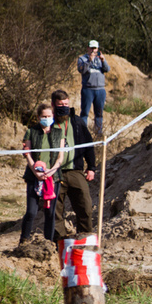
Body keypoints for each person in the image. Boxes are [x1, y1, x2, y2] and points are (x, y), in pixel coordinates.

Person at [50, 89, 97, 242]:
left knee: (85, 207)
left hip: (76, 171)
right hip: (55, 173)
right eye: (60, 104)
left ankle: (84, 241)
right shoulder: (48, 123)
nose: (64, 106)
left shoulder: (77, 122)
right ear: (53, 105)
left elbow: (89, 145)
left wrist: (91, 167)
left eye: (66, 104)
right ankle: (61, 243)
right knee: (55, 210)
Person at [20, 103, 64, 243]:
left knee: (50, 213)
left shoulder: (58, 132)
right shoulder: (31, 131)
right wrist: (36, 172)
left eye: (49, 116)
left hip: (53, 177)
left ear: (53, 116)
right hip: (34, 176)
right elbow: (27, 154)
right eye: (43, 116)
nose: (46, 118)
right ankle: (24, 240)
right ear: (39, 117)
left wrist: (51, 171)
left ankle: (48, 243)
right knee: (31, 211)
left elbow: (60, 157)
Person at [77, 40, 110, 136]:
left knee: (99, 113)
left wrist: (103, 61)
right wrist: (89, 61)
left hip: (100, 89)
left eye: (94, 48)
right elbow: (82, 70)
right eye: (91, 48)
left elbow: (107, 69)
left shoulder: (101, 58)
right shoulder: (82, 59)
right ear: (87, 48)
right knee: (85, 113)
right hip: (88, 89)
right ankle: (83, 133)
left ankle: (98, 133)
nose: (93, 50)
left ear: (97, 49)